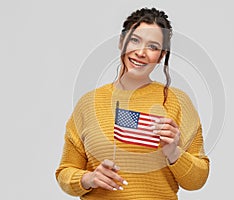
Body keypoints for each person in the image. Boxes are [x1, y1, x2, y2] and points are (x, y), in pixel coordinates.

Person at [55, 7, 209, 200]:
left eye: (153, 47)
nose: (141, 52)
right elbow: (64, 172)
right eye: (135, 40)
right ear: (122, 42)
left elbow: (198, 180)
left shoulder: (178, 102)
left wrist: (173, 152)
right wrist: (89, 178)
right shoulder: (88, 103)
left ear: (161, 55)